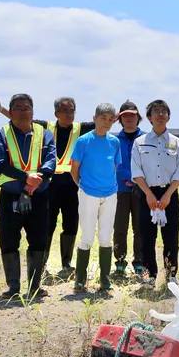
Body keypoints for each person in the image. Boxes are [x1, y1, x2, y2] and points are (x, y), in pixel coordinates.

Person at [0, 97, 94, 276]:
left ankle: (66, 264)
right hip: (49, 183)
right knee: (48, 225)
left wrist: (117, 116)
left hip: (70, 183)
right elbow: (20, 118)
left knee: (71, 224)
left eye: (71, 111)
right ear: (56, 113)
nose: (68, 114)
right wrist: (1, 110)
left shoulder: (80, 128)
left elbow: (102, 123)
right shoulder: (45, 126)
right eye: (64, 111)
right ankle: (42, 265)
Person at [0, 94, 57, 299]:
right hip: (10, 197)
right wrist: (26, 178)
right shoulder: (0, 135)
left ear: (33, 111)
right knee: (9, 240)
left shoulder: (45, 134)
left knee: (38, 240)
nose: (23, 110)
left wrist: (36, 180)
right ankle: (13, 287)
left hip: (39, 197)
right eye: (18, 107)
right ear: (11, 111)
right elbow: (0, 164)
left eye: (27, 107)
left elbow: (50, 162)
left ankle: (35, 286)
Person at [131, 99, 179, 284]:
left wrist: (167, 195)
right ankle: (149, 275)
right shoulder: (140, 142)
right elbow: (137, 171)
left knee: (171, 238)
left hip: (169, 194)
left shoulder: (177, 143)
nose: (160, 115)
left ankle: (171, 275)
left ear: (168, 117)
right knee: (146, 238)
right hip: (146, 195)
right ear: (149, 118)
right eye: (156, 111)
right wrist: (148, 194)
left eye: (164, 111)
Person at [70, 103, 122, 292]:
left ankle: (105, 280)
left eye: (110, 120)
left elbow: (114, 167)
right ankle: (80, 281)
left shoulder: (114, 142)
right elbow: (74, 170)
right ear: (94, 118)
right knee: (86, 237)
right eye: (103, 118)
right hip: (87, 193)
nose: (107, 123)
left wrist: (105, 187)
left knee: (106, 238)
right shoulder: (83, 141)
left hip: (110, 194)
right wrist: (84, 188)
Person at [113, 101, 146, 276]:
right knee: (120, 227)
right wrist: (128, 178)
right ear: (120, 119)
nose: (129, 118)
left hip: (142, 189)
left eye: (132, 115)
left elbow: (148, 164)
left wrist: (136, 180)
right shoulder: (114, 140)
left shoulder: (147, 139)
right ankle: (119, 261)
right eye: (125, 115)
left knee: (140, 227)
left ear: (138, 117)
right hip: (120, 190)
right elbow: (114, 164)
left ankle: (139, 261)